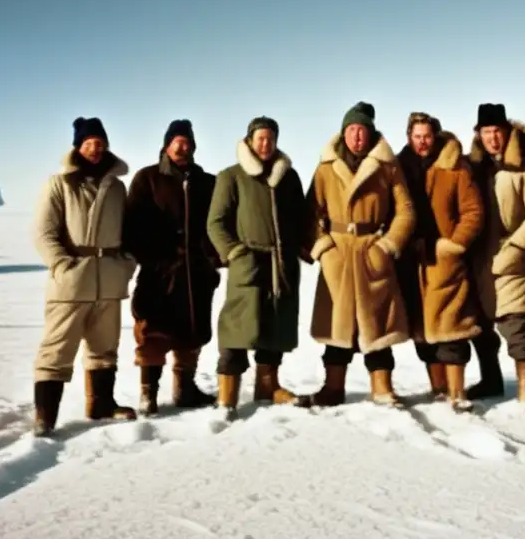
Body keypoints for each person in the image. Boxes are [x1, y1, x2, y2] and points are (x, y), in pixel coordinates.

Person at [304, 101, 416, 407]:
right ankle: (332, 387)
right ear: (344, 132)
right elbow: (310, 212)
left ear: (371, 132)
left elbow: (405, 211)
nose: (357, 136)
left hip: (371, 250)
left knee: (377, 326)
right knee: (338, 328)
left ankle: (382, 388)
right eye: (352, 129)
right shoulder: (326, 168)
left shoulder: (387, 166)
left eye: (362, 130)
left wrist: (387, 245)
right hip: (337, 253)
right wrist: (324, 249)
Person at [32, 116, 138, 436]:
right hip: (71, 282)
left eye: (100, 143)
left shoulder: (118, 187)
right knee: (57, 350)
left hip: (109, 280)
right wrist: (62, 265)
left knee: (104, 349)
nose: (95, 148)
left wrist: (126, 263)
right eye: (88, 143)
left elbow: (129, 233)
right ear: (78, 147)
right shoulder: (59, 184)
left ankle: (101, 405)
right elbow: (43, 233)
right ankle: (45, 418)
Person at [207, 116, 309, 419]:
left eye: (271, 139)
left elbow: (302, 217)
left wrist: (299, 249)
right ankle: (227, 397)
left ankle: (268, 387)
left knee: (275, 327)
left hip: (281, 265)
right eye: (260, 138)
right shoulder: (232, 177)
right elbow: (215, 223)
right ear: (250, 140)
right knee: (237, 331)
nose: (265, 144)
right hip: (247, 264)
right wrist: (235, 252)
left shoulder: (289, 177)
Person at [123, 119, 220, 416]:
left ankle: (185, 391)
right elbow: (132, 224)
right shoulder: (147, 178)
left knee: (192, 332)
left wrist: (211, 259)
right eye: (177, 140)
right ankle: (148, 395)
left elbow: (218, 223)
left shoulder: (206, 182)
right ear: (166, 145)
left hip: (196, 271)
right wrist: (152, 257)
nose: (183, 145)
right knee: (153, 331)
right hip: (159, 271)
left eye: (187, 140)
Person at [467, 103, 525, 415]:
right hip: (476, 258)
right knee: (478, 325)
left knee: (516, 324)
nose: (493, 137)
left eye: (497, 131)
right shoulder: (471, 167)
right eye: (486, 132)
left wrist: (517, 247)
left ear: (507, 131)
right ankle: (490, 380)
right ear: (478, 134)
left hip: (510, 254)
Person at [395, 112, 484, 411]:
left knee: (452, 328)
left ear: (436, 136)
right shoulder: (398, 168)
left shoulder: (455, 167)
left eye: (427, 136)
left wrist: (454, 245)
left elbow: (473, 211)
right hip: (409, 260)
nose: (422, 142)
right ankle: (439, 389)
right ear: (409, 137)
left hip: (444, 261)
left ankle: (457, 392)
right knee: (421, 332)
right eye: (417, 136)